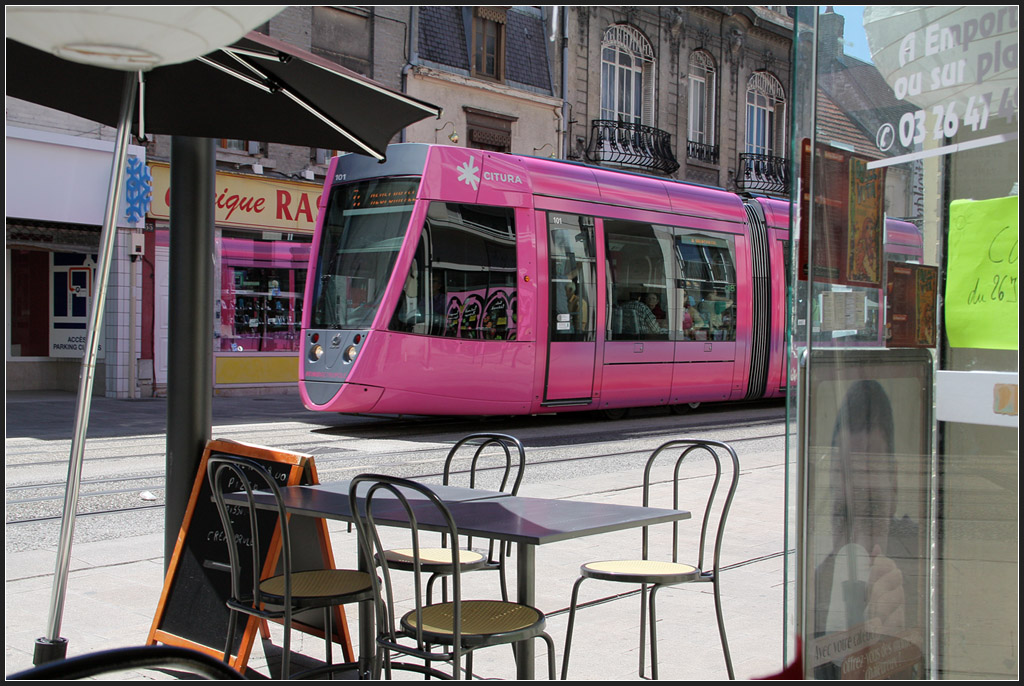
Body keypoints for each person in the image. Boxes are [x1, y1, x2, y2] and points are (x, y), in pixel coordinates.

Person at [813, 379, 921, 679]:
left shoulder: (924, 573)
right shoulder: (820, 585)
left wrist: (894, 652)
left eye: (871, 514)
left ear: (894, 481)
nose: (858, 543)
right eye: (844, 518)